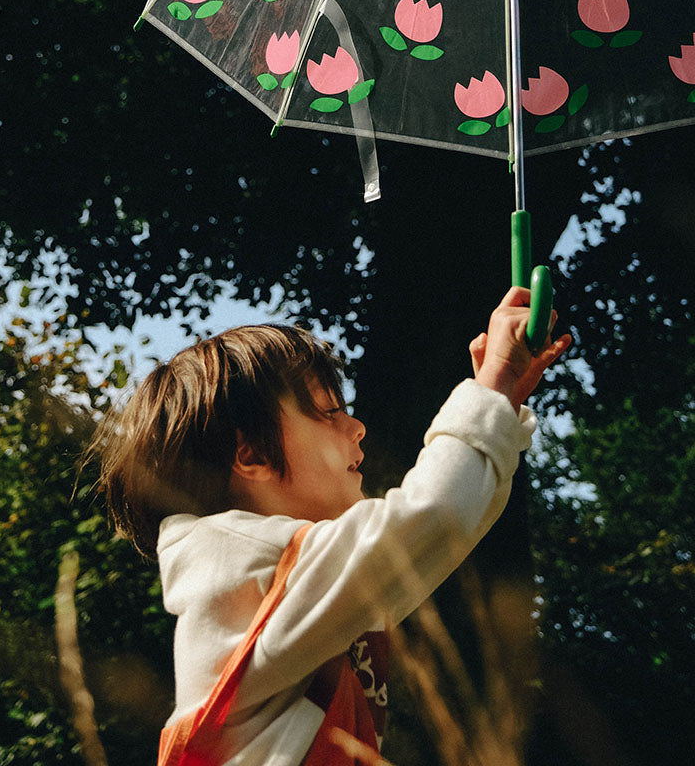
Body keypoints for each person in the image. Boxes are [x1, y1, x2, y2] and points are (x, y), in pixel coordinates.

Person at [93, 287, 571, 766]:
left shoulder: (290, 584)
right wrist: (491, 390)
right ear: (252, 454)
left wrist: (500, 403)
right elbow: (432, 519)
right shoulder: (247, 567)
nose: (357, 426)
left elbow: (447, 527)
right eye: (328, 412)